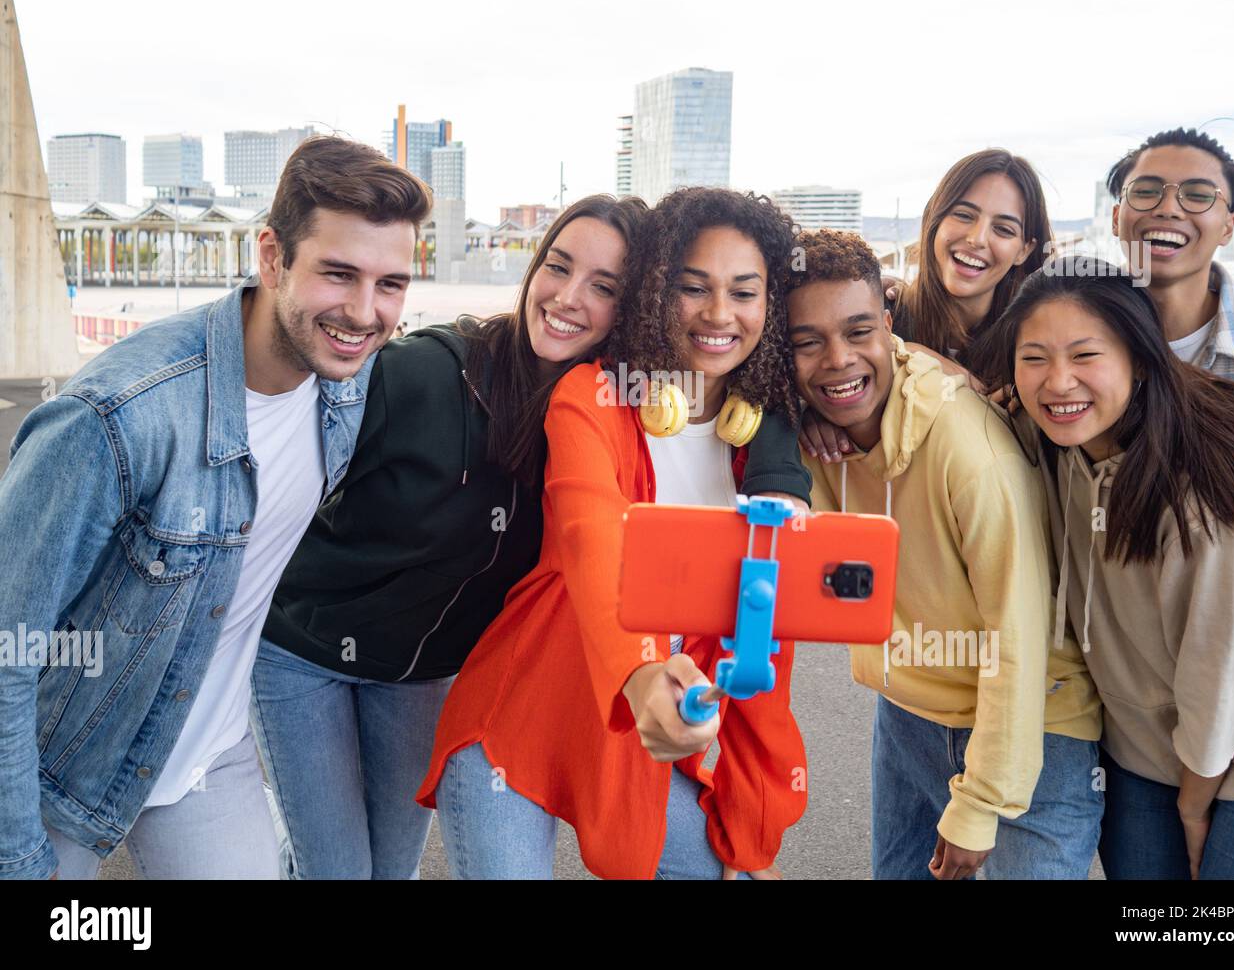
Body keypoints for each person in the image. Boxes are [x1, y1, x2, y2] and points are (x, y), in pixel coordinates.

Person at [0, 136, 430, 880]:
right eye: (338, 273)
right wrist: (18, 856)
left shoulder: (346, 382)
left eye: (390, 283)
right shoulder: (116, 418)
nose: (365, 312)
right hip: (60, 768)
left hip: (207, 752)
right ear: (271, 256)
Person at [416, 187, 812, 879]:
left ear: (770, 308)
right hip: (520, 721)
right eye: (693, 288)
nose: (719, 313)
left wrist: (752, 832)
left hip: (640, 745)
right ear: (656, 292)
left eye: (744, 292)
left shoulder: (764, 441)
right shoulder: (592, 398)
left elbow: (762, 653)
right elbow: (596, 538)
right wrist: (638, 672)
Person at [252, 194, 647, 879]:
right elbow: (279, 447)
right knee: (338, 871)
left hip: (419, 674)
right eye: (558, 267)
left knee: (390, 869)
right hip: (302, 650)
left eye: (604, 286)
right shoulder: (430, 370)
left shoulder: (608, 421)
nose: (568, 297)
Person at [786, 229, 1100, 880]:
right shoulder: (806, 430)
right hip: (909, 714)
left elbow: (1018, 634)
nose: (838, 359)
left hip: (1033, 724)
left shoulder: (965, 446)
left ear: (889, 325)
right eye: (806, 341)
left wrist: (982, 802)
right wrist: (789, 408)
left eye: (858, 330)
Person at [971, 263, 1234, 880]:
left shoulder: (1208, 491)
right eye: (1034, 357)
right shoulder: (1055, 444)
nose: (1058, 381)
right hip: (1144, 753)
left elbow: (1226, 666)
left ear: (1142, 361)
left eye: (1085, 355)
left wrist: (1194, 806)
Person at [802, 148, 1050, 464]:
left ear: (1024, 250)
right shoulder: (884, 314)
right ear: (935, 217)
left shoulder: (1030, 346)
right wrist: (810, 412)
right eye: (963, 215)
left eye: (1003, 229)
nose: (977, 238)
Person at [1106, 126, 1234, 518]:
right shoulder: (1063, 333)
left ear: (1228, 226)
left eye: (1197, 195)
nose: (1169, 208)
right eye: (1145, 191)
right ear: (1116, 217)